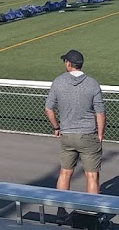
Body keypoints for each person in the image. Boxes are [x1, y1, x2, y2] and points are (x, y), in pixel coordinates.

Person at [44, 49, 105, 216]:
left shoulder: (58, 82)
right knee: (92, 176)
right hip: (88, 135)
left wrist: (56, 127)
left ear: (68, 64)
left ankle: (61, 211)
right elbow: (100, 112)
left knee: (65, 172)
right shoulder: (92, 83)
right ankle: (91, 213)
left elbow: (48, 109)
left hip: (67, 135)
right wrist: (100, 134)